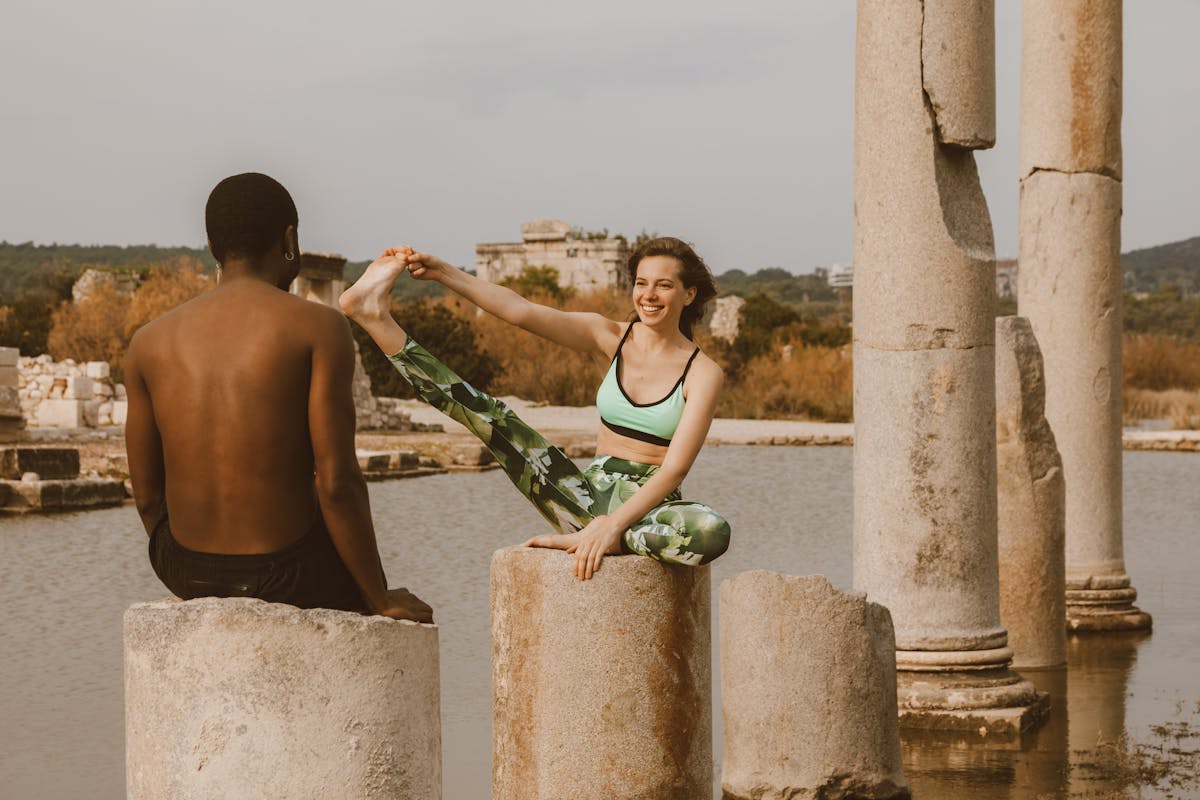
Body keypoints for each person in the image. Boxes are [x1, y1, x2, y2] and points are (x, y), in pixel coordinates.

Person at [124, 172, 431, 621]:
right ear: (290, 240)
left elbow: (149, 499)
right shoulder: (319, 327)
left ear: (213, 248)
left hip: (182, 569)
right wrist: (378, 597)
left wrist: (194, 567)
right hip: (287, 575)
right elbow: (337, 483)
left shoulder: (146, 342)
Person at [339, 237, 731, 580]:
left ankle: (612, 536)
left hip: (650, 511)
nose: (648, 295)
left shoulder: (703, 373)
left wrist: (612, 528)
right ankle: (374, 317)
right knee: (487, 413)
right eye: (642, 283)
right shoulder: (609, 335)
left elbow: (675, 468)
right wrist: (443, 272)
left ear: (688, 294)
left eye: (664, 285)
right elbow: (520, 310)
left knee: (712, 531)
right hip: (580, 495)